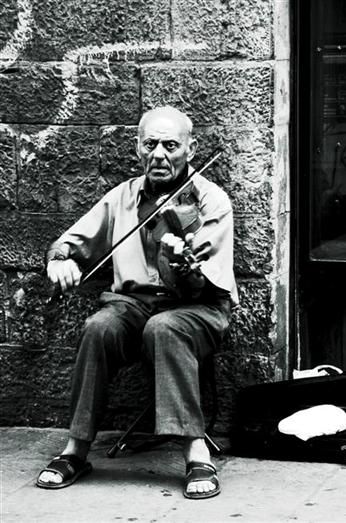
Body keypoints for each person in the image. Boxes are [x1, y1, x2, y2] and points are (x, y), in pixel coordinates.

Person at [35, 106, 237, 500]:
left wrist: (184, 265)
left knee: (165, 327)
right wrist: (59, 261)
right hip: (132, 304)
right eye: (151, 144)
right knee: (99, 326)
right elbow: (68, 241)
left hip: (197, 306)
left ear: (190, 150)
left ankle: (196, 451)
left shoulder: (211, 201)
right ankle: (75, 449)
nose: (160, 155)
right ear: (137, 148)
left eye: (171, 145)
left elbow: (204, 284)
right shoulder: (122, 197)